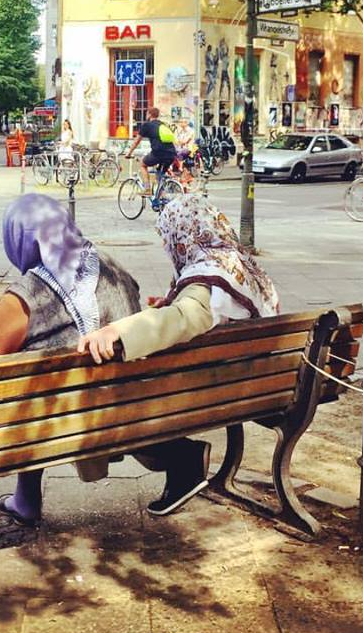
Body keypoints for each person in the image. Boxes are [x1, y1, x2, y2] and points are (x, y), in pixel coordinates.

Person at [0, 193, 142, 549]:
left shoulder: (25, 296)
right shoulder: (114, 269)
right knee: (38, 383)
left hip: (54, 423)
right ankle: (26, 501)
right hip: (122, 410)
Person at [77, 196, 281, 514]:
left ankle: (184, 461)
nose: (167, 245)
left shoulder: (209, 278)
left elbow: (185, 319)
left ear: (187, 234)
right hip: (258, 383)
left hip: (212, 392)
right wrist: (176, 303)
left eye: (168, 236)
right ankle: (184, 462)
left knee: (121, 399)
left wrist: (117, 331)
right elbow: (201, 313)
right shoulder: (240, 268)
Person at [127, 106, 177, 191]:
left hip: (158, 153)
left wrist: (129, 153)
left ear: (149, 115)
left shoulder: (147, 125)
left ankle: (147, 189)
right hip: (171, 153)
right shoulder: (163, 124)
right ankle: (160, 198)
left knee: (143, 164)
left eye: (147, 113)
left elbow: (136, 141)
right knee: (160, 175)